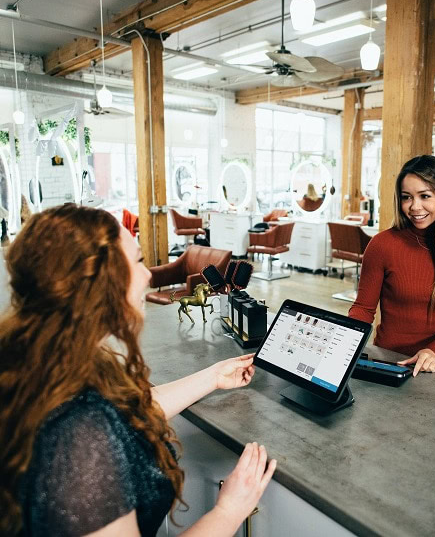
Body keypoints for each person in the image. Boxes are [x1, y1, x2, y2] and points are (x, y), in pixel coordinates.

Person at [0, 204, 276, 537]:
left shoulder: (42, 358)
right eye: (139, 262)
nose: (148, 275)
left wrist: (213, 377)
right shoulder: (79, 437)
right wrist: (230, 510)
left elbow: (129, 411)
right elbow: (98, 421)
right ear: (100, 282)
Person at [349, 155, 435, 376]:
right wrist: (345, 339)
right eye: (406, 197)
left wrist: (432, 352)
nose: (414, 206)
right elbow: (363, 309)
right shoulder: (382, 245)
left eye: (424, 196)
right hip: (387, 362)